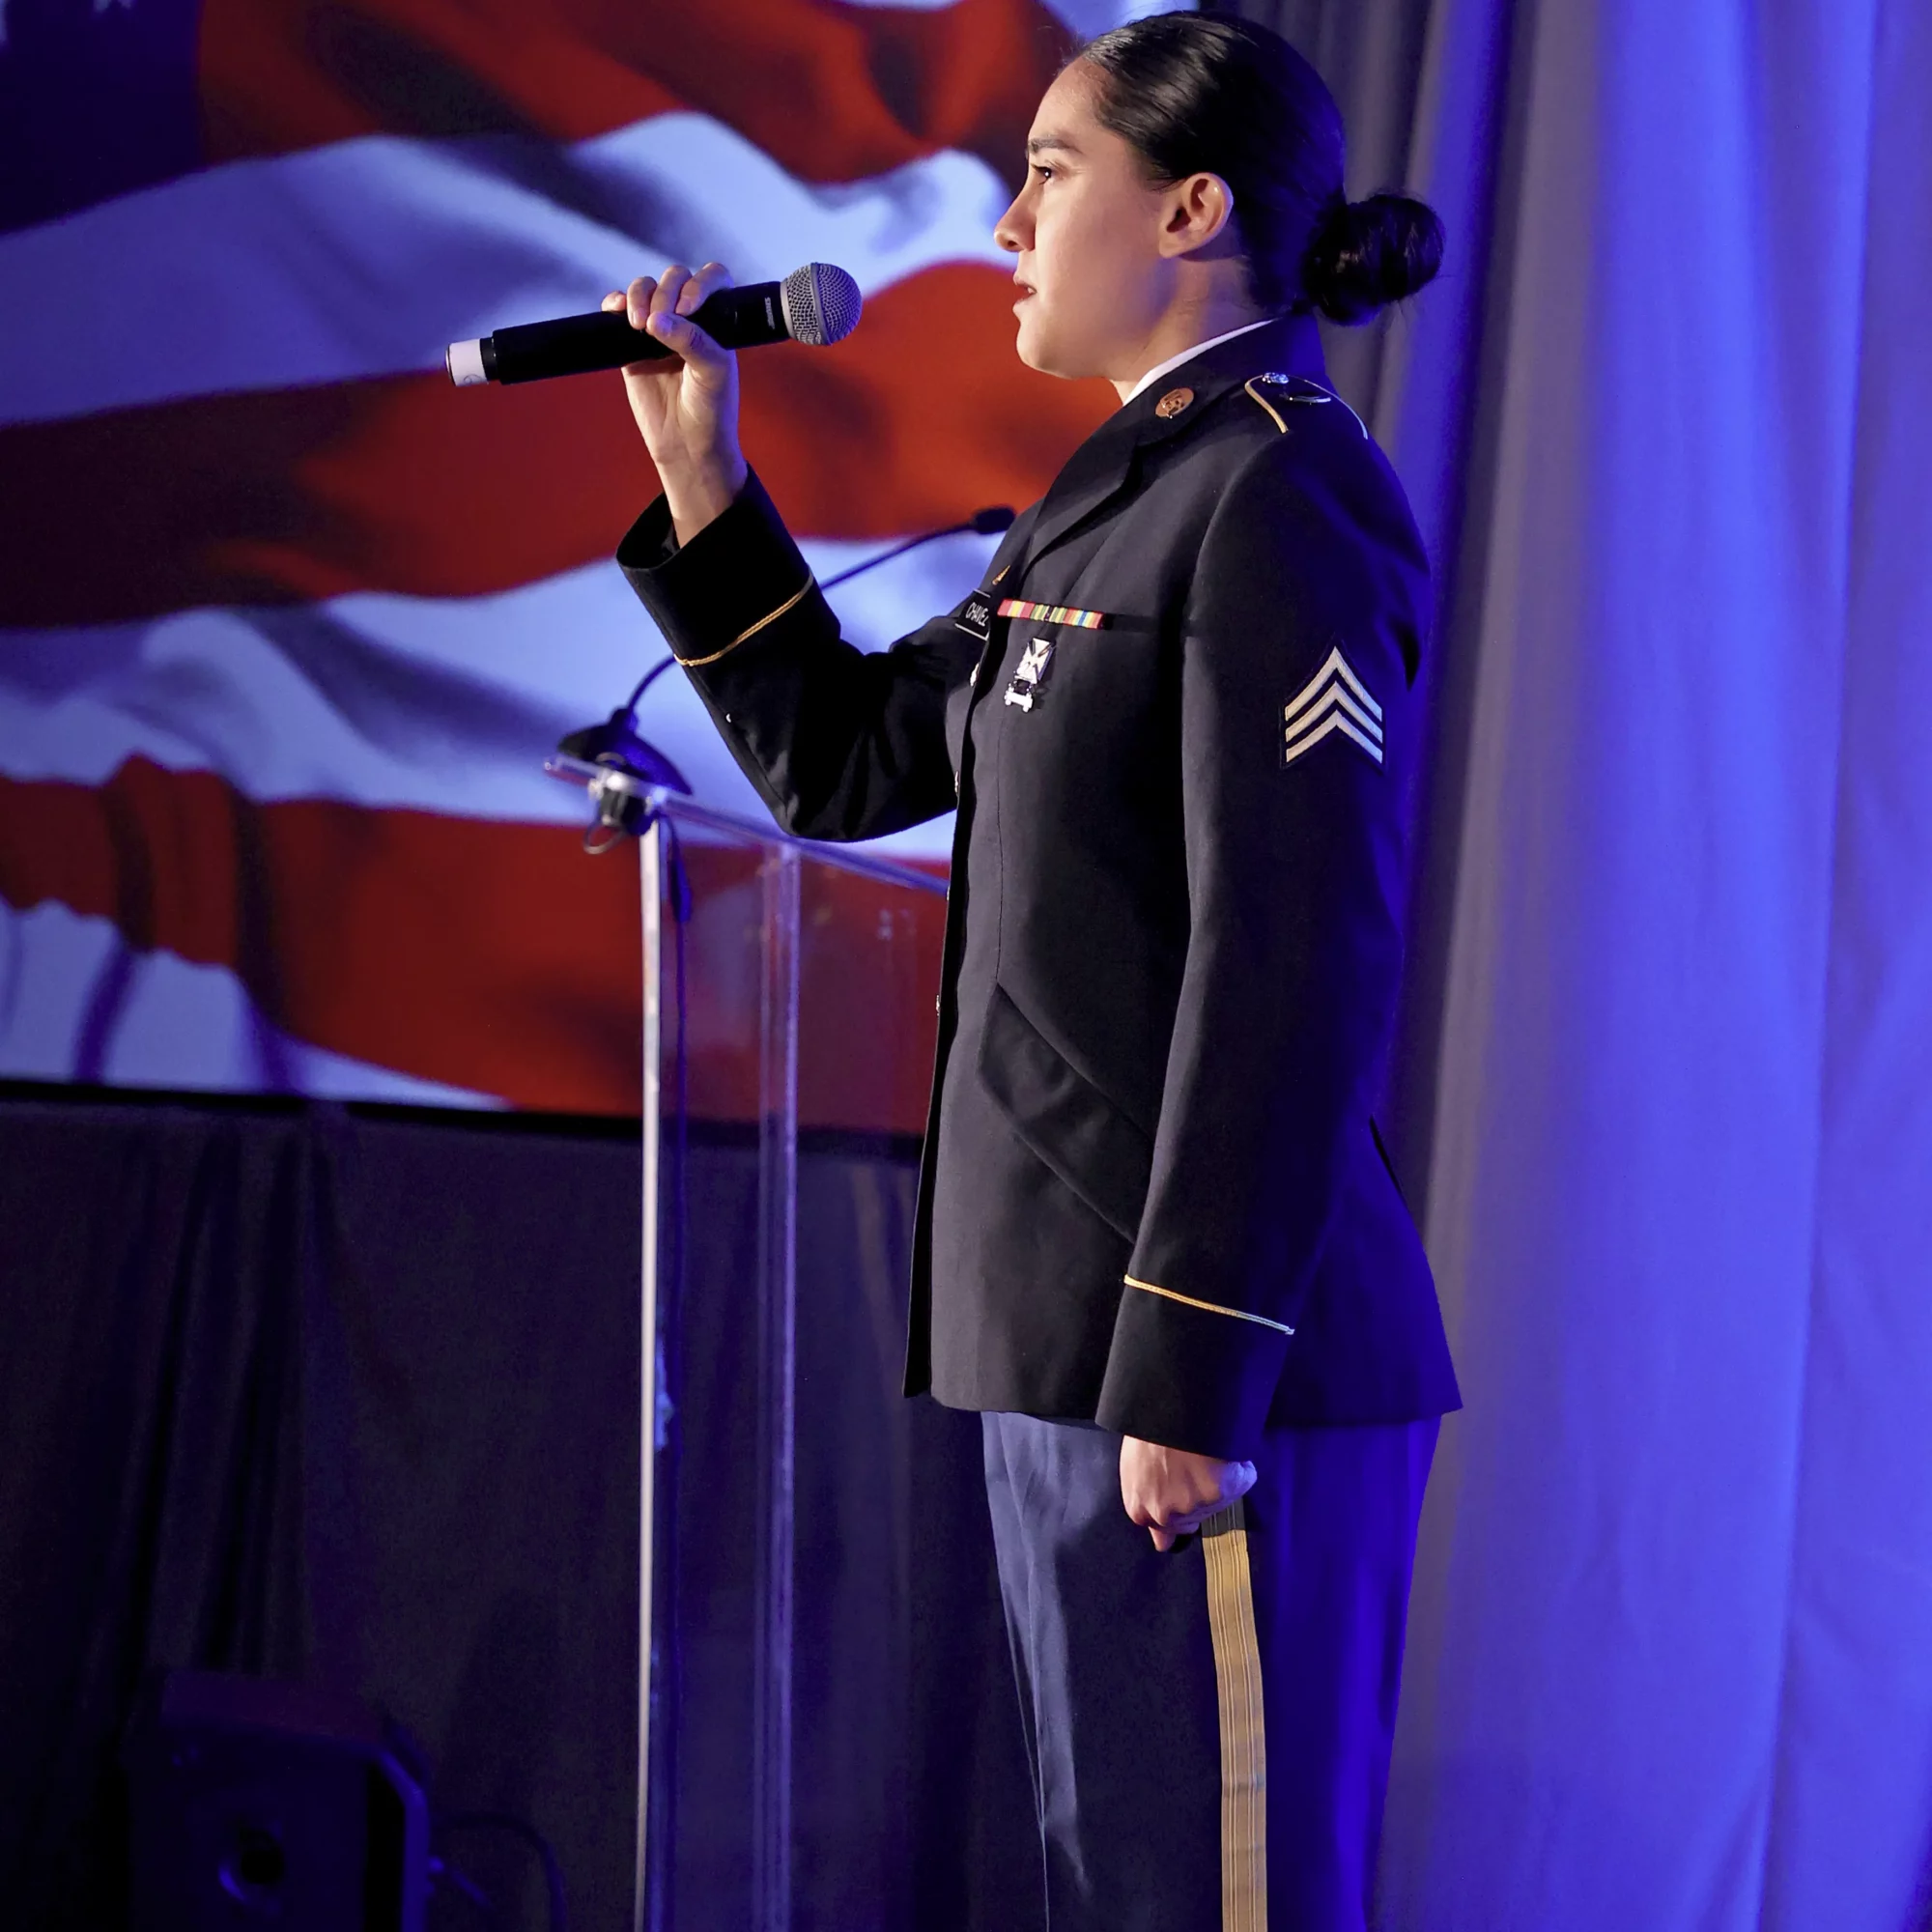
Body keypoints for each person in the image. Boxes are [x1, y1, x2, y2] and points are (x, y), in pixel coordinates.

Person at [605, 14, 1461, 1927]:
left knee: (1204, 1895)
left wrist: (1196, 1362)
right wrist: (702, 481)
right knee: (1110, 1882)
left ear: (1195, 206)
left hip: (1195, 1351)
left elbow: (1295, 959)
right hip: (1064, 1329)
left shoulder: (1282, 493)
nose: (1003, 224)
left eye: (1050, 173)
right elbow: (850, 760)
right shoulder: (1114, 487)